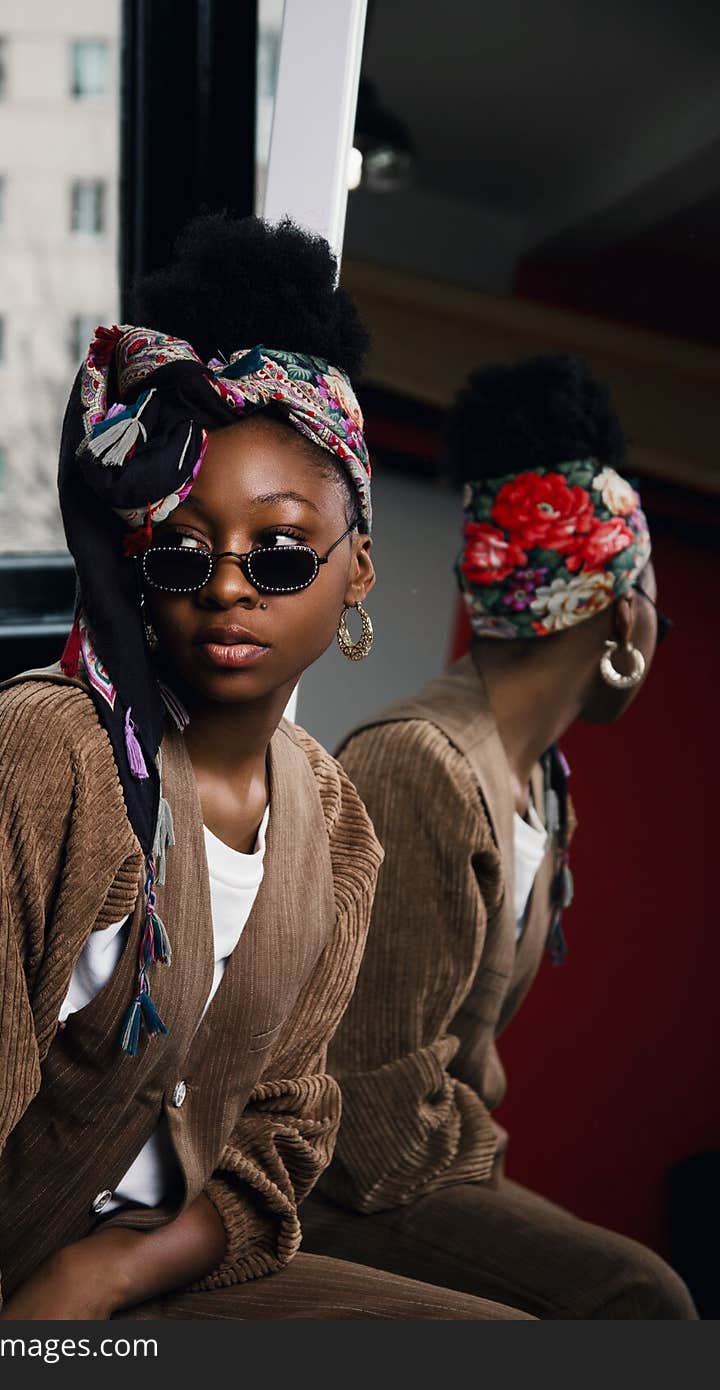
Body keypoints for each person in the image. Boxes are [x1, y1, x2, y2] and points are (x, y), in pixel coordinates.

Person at [0, 217, 529, 1321]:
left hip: (146, 1269)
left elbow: (278, 1140)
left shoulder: (334, 824)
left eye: (283, 550)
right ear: (136, 565)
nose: (228, 589)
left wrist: (109, 1270)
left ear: (357, 570)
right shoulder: (30, 766)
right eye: (181, 550)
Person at [301, 354, 697, 1319]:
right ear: (616, 608)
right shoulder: (422, 767)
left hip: (423, 1160)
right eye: (652, 598)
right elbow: (368, 1114)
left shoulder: (539, 794)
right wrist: (489, 1152)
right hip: (335, 1184)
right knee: (640, 1298)